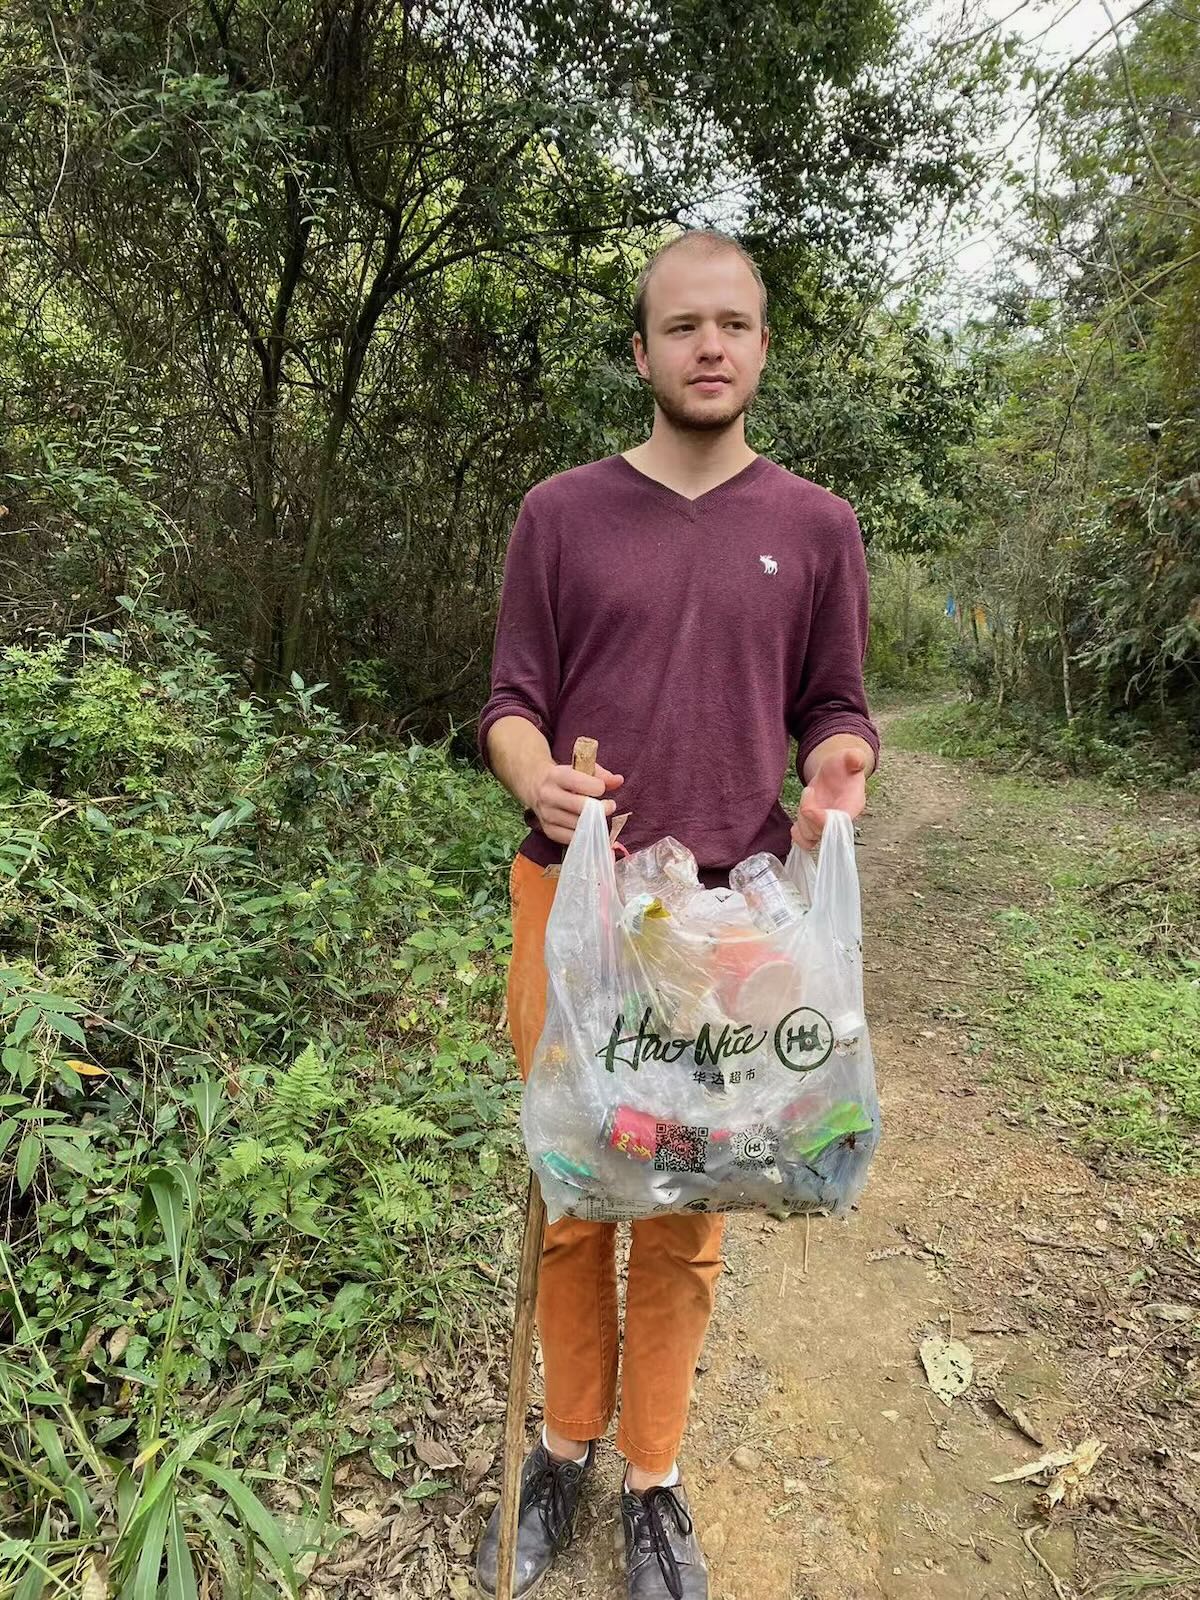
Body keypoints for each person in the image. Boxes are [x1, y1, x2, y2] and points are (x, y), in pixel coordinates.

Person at [474, 229, 879, 1600]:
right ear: (641, 352)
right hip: (580, 909)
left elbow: (833, 702)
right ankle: (566, 1444)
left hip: (733, 926)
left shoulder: (816, 526)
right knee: (579, 1192)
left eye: (736, 325)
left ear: (764, 348)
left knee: (693, 1202)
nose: (711, 346)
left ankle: (653, 1478)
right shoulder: (561, 514)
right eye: (683, 325)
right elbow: (509, 703)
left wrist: (839, 760)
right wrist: (541, 784)